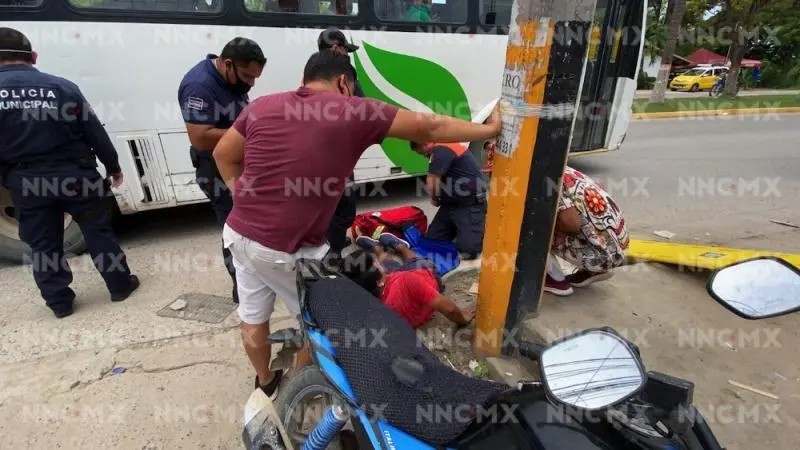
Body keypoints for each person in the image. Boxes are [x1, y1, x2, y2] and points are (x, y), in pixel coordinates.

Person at [212, 50, 501, 398]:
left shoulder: (262, 105)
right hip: (289, 250)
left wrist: (243, 198)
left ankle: (266, 381)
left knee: (253, 316)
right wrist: (489, 129)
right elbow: (431, 127)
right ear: (344, 83)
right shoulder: (354, 110)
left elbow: (222, 154)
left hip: (238, 233)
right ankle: (297, 392)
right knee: (322, 324)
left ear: (305, 80)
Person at [0, 27, 140, 318]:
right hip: (76, 174)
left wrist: (8, 178)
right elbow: (94, 131)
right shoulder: (62, 87)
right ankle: (119, 286)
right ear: (33, 57)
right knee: (98, 232)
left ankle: (59, 303)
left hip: (26, 181)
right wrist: (113, 166)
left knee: (43, 244)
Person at [177, 37, 266, 303]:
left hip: (238, 163)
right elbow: (200, 137)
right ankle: (243, 292)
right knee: (235, 229)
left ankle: (258, 279)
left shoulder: (231, 78)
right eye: (248, 76)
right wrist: (249, 133)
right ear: (228, 64)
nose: (251, 83)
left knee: (252, 223)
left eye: (255, 77)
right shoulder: (199, 85)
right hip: (216, 169)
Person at [342, 234, 475, 329]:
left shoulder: (368, 304)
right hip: (422, 276)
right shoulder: (408, 281)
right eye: (375, 263)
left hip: (393, 282)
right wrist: (463, 319)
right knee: (414, 260)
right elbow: (450, 309)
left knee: (388, 265)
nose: (377, 264)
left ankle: (378, 248)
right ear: (378, 280)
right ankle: (399, 246)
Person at [316, 27, 363, 264]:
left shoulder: (313, 72)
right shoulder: (343, 74)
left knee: (329, 203)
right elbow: (362, 106)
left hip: (320, 151)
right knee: (344, 207)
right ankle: (332, 255)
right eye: (346, 50)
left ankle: (331, 243)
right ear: (336, 47)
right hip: (338, 155)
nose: (347, 56)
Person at [544, 165, 629, 296]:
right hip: (615, 248)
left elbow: (571, 224)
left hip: (602, 254)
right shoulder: (561, 167)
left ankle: (555, 280)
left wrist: (555, 230)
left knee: (527, 225)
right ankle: (595, 270)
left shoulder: (548, 178)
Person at [410, 141, 487, 260]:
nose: (424, 156)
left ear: (425, 144)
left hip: (469, 205)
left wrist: (435, 198)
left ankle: (473, 229)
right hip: (450, 204)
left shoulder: (441, 150)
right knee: (433, 241)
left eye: (421, 153)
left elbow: (432, 181)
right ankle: (462, 230)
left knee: (469, 251)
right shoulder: (443, 146)